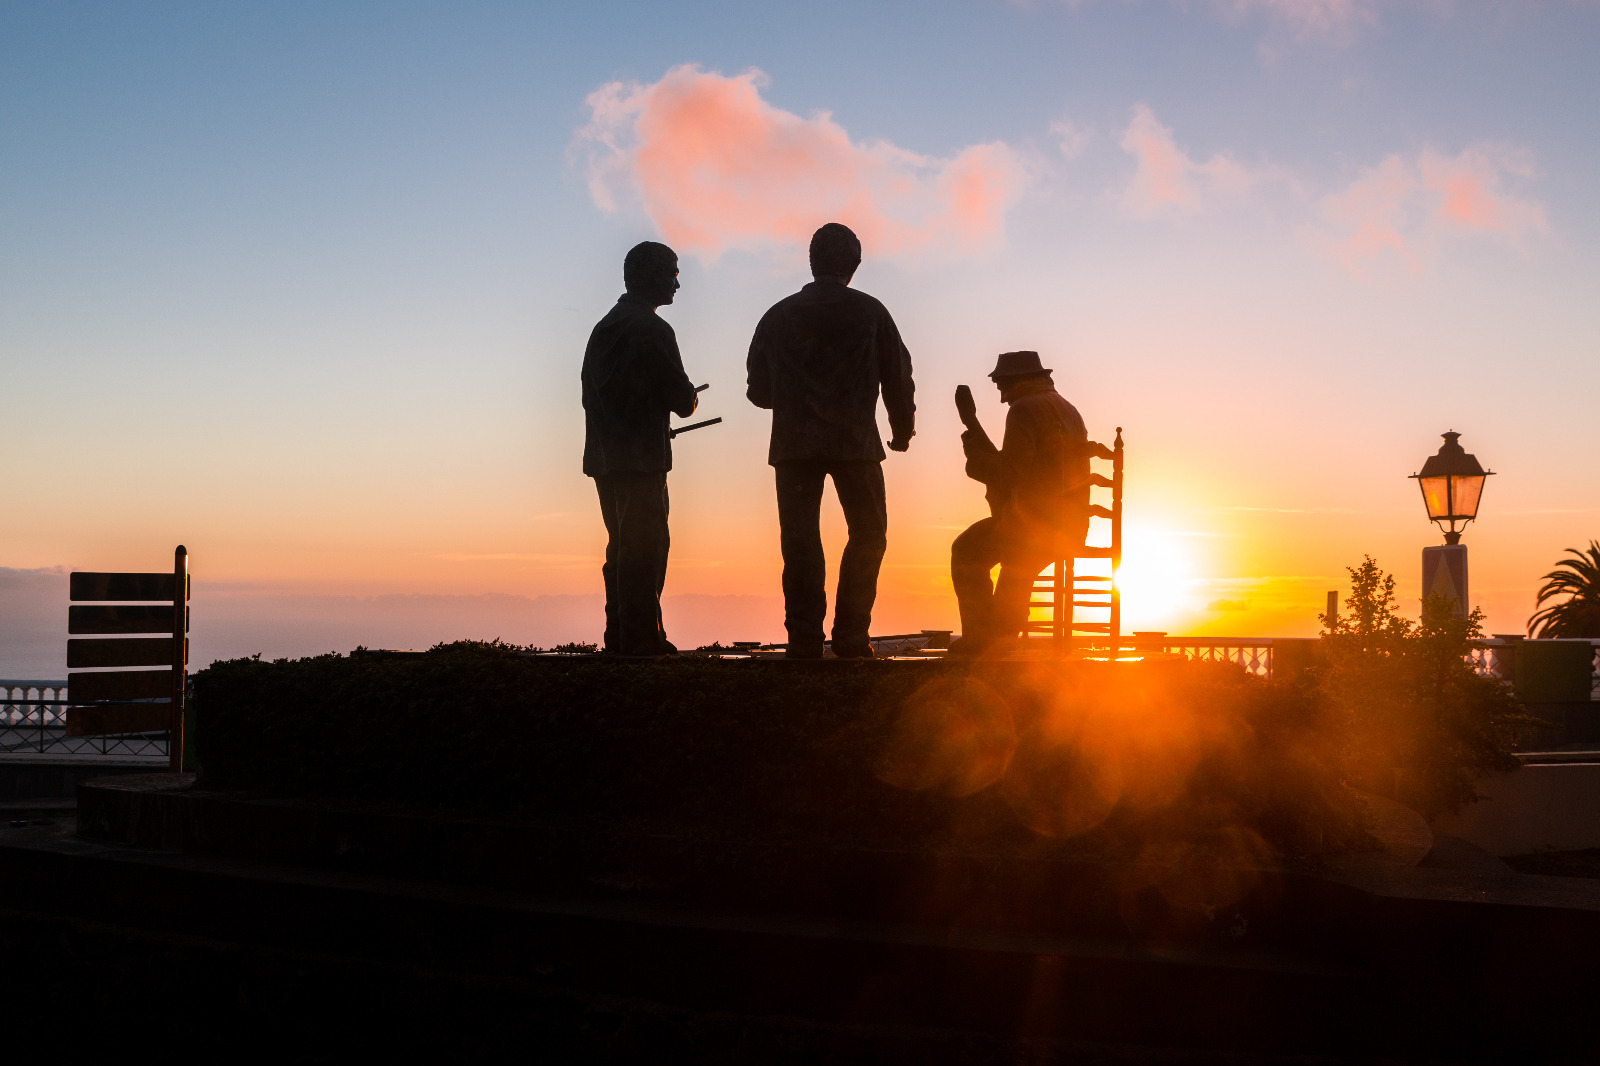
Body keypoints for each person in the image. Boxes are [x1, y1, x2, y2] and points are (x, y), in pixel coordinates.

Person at [746, 223, 916, 659]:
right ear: (853, 265)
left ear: (812, 261)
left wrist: (795, 399)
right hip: (855, 445)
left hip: (794, 447)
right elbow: (898, 375)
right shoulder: (871, 312)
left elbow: (758, 392)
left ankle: (804, 640)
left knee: (799, 539)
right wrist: (901, 428)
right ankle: (851, 636)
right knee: (869, 534)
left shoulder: (778, 314)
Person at [948, 351, 1112, 654]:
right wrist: (972, 424)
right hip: (1068, 524)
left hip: (1033, 527)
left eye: (1002, 385)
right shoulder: (1068, 409)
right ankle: (993, 636)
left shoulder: (1023, 409)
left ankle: (987, 639)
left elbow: (1008, 475)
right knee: (998, 554)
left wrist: (972, 448)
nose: (1000, 396)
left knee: (967, 551)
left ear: (1018, 381)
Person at [581, 241, 700, 656]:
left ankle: (620, 636)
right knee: (647, 546)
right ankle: (643, 639)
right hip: (643, 460)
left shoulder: (603, 328)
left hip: (605, 460)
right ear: (650, 276)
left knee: (620, 546)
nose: (678, 284)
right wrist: (688, 394)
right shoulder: (653, 329)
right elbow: (682, 401)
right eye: (672, 273)